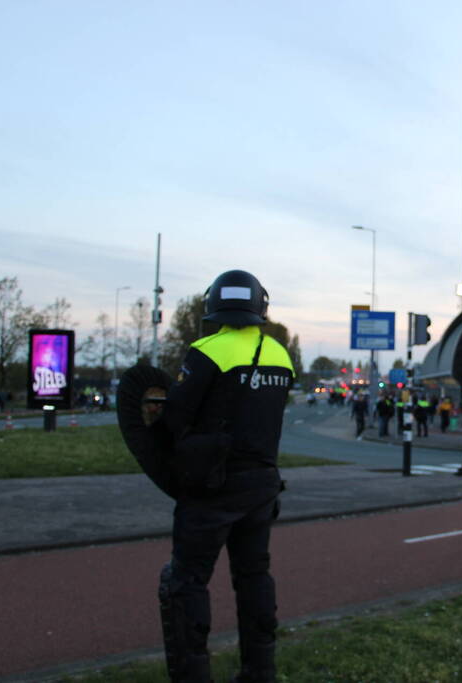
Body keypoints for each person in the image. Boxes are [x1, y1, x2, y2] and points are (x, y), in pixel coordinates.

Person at [159, 270, 293, 683]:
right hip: (262, 486)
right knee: (254, 577)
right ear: (260, 306)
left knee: (186, 581)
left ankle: (193, 675)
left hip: (213, 487)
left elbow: (174, 418)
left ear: (213, 304)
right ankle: (260, 671)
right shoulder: (280, 355)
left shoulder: (206, 351)